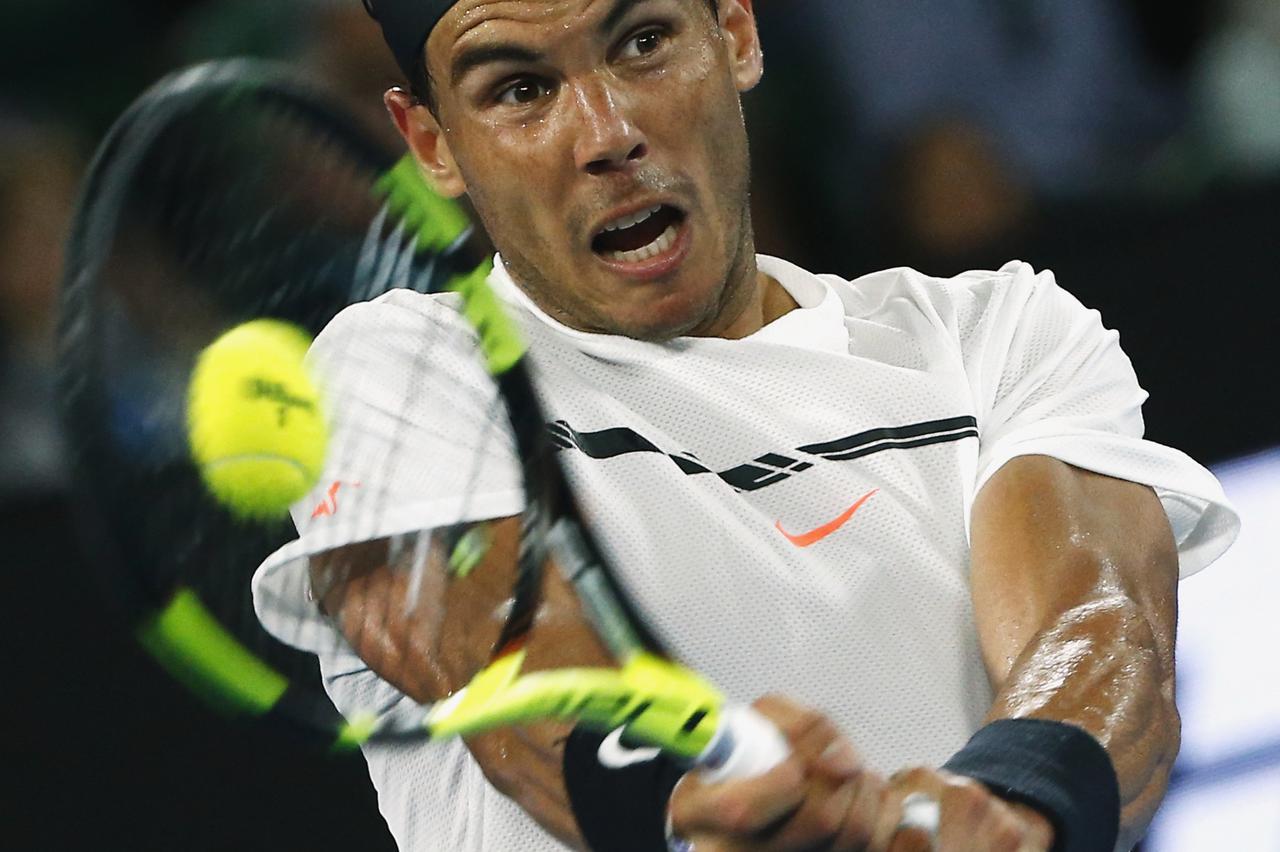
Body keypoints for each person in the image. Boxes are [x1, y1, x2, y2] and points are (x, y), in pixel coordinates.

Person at [252, 1, 1239, 849]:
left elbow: (1098, 631)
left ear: (733, 32)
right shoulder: (400, 371)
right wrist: (700, 809)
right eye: (518, 90)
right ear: (431, 144)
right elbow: (521, 680)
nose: (605, 134)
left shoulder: (996, 333)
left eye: (640, 41)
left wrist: (1001, 806)